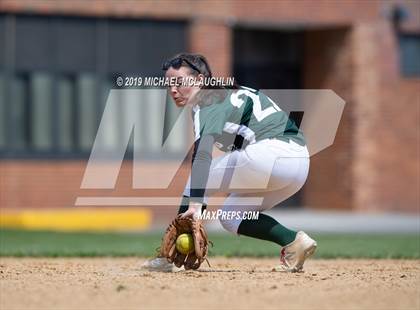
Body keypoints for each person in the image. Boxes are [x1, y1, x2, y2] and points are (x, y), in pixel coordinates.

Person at [142, 53, 316, 272]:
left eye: (179, 82)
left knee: (196, 180)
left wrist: (195, 205)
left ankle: (171, 259)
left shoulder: (206, 100)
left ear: (198, 80)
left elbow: (203, 155)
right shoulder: (226, 92)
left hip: (270, 154)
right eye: (169, 84)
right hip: (299, 164)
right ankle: (294, 242)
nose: (173, 90)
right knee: (231, 216)